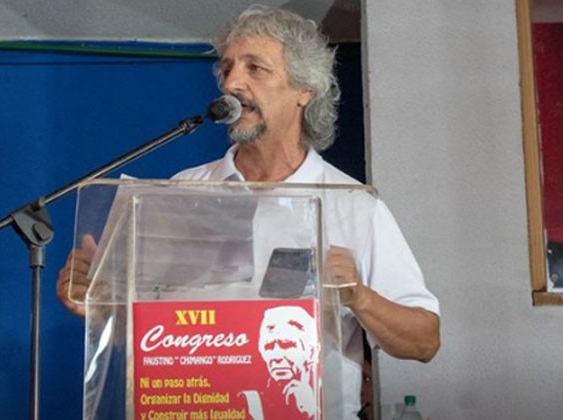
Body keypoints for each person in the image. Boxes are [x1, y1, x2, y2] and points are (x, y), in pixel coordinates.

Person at [56, 5, 440, 418]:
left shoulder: (352, 204)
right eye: (226, 69)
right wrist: (102, 307)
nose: (231, 83)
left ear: (304, 90)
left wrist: (358, 296)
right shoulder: (184, 190)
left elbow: (424, 341)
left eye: (255, 68)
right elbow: (156, 337)